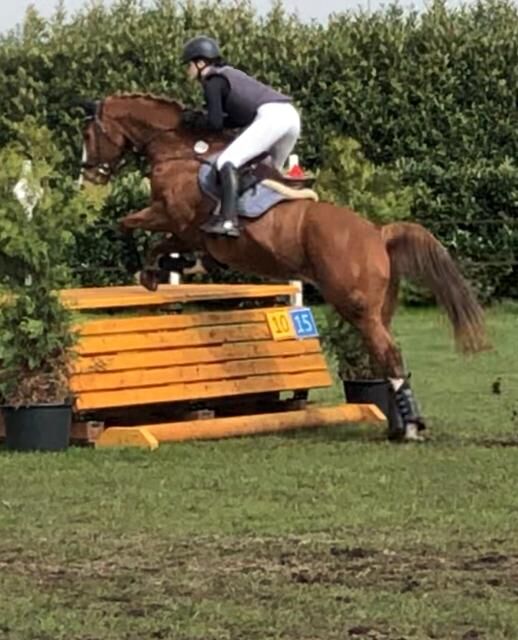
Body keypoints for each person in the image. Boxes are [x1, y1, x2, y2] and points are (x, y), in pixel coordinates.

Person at [182, 35, 301, 238]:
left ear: (201, 63)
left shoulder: (213, 81)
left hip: (272, 116)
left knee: (226, 161)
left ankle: (228, 220)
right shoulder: (228, 76)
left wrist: (194, 120)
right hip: (290, 117)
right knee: (265, 172)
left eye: (189, 65)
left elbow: (215, 124)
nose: (188, 70)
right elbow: (237, 120)